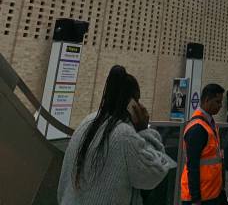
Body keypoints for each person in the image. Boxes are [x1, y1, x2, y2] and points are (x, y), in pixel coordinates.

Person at [58, 65, 175, 205]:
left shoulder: (86, 123)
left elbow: (64, 181)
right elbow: (154, 172)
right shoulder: (125, 136)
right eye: (137, 101)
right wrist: (145, 131)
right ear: (132, 104)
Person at [181, 83, 226, 205]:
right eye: (217, 102)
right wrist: (196, 199)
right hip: (199, 197)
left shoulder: (210, 125)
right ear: (207, 100)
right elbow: (192, 165)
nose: (220, 106)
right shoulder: (197, 128)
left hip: (211, 193)